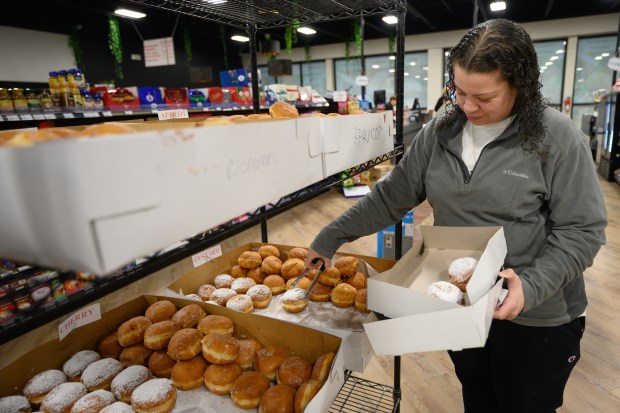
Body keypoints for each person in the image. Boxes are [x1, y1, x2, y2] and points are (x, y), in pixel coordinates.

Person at [306, 19, 607, 413]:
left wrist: (530, 287)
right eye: (458, 91)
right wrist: (328, 238)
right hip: (459, 308)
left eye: (484, 97)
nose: (467, 106)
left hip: (538, 319)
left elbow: (582, 231)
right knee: (478, 398)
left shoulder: (558, 138)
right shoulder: (441, 131)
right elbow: (390, 198)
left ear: (522, 86)